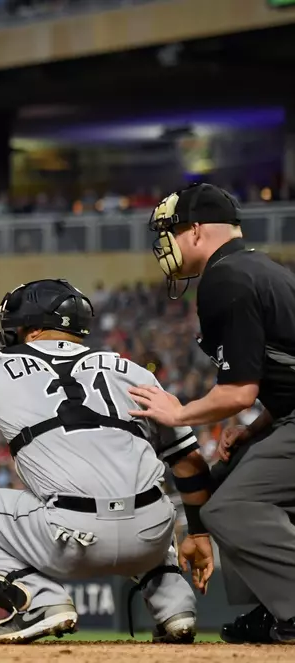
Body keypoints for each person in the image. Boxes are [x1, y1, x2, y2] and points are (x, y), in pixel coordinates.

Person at [0, 279, 211, 644]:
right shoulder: (135, 372)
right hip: (150, 537)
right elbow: (188, 461)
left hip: (72, 538)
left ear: (30, 326)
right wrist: (199, 533)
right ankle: (175, 608)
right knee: (147, 500)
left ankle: (41, 601)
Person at [129, 182, 295, 644]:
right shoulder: (260, 268)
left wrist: (178, 413)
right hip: (288, 417)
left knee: (232, 506)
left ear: (196, 230)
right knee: (224, 480)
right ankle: (274, 607)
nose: (166, 244)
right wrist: (258, 429)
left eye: (171, 231)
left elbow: (240, 392)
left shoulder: (227, 277)